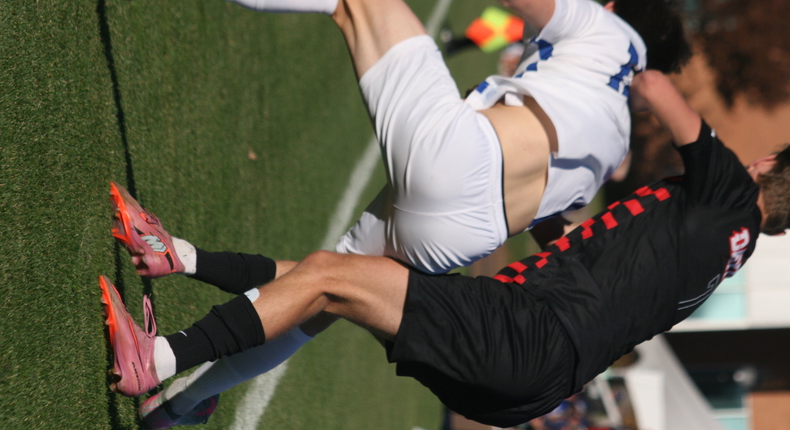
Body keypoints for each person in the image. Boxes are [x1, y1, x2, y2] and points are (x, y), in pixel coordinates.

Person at [95, 0, 690, 423]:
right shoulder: (616, 148)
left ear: (614, 6)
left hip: (460, 157)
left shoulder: (603, 27)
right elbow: (547, 221)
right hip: (464, 238)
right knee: (319, 291)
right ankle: (178, 399)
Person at [101, 68, 790, 427]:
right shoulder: (735, 251)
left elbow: (657, 86)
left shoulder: (730, 188)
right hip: (538, 383)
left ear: (767, 165)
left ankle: (156, 360)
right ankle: (179, 269)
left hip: (527, 332)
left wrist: (621, 52)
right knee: (336, 283)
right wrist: (544, 218)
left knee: (330, 281)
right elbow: (603, 263)